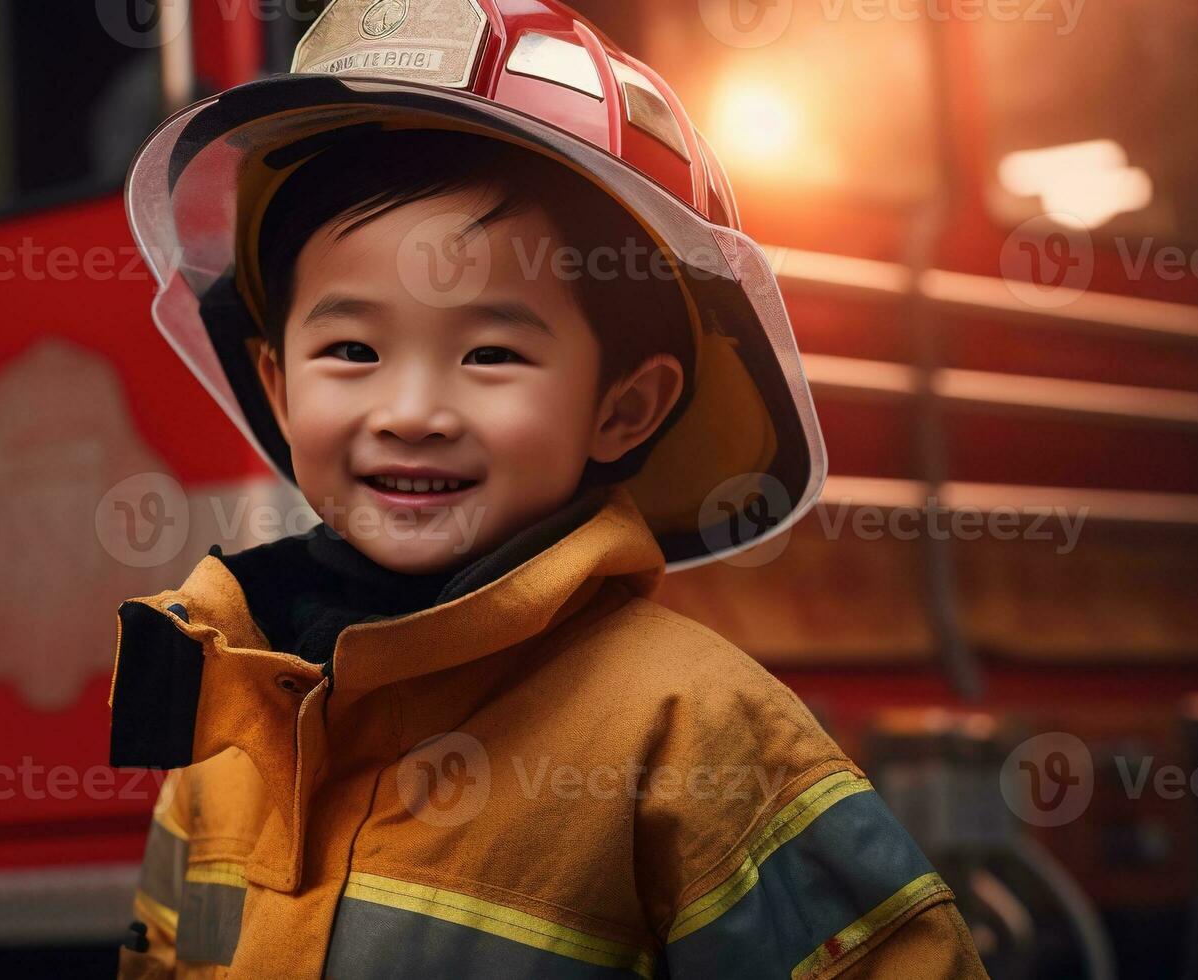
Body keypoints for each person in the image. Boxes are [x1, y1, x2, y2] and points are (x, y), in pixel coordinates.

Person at [106, 1, 990, 976]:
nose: (410, 410)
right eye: (351, 349)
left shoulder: (692, 732)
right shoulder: (234, 706)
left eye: (489, 353)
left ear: (622, 407)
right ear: (277, 385)